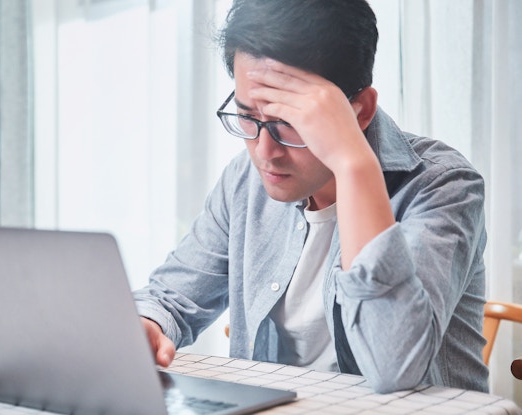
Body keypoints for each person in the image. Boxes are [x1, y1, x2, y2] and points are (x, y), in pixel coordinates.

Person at [133, 0, 488, 394]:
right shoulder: (244, 181)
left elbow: (394, 367)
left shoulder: (443, 185)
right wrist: (147, 325)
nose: (264, 152)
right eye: (248, 116)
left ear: (361, 110)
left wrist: (354, 163)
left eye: (289, 123)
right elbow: (170, 299)